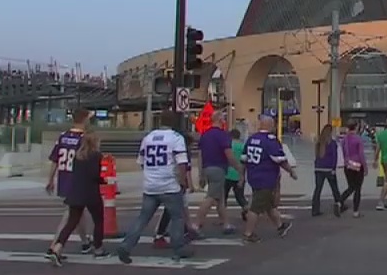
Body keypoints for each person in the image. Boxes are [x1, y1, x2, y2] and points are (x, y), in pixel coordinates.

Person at [117, 111, 194, 263]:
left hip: (150, 185)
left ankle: (126, 245)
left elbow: (141, 161)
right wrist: (182, 181)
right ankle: (178, 248)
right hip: (169, 185)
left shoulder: (148, 137)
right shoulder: (176, 138)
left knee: (143, 218)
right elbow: (182, 163)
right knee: (177, 217)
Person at [46, 133, 109, 265]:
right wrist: (103, 180)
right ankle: (98, 249)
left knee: (71, 222)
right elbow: (94, 175)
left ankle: (58, 248)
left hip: (75, 192)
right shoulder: (96, 156)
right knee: (98, 220)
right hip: (90, 193)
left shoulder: (77, 155)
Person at [242, 115, 298, 242]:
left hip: (253, 176)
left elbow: (243, 159)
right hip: (266, 178)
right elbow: (280, 160)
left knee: (268, 204)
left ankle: (280, 226)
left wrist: (242, 175)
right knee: (256, 207)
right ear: (270, 125)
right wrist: (291, 171)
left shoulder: (252, 139)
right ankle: (248, 233)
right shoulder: (270, 140)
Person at [46, 110, 93, 254]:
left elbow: (55, 160)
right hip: (77, 179)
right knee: (70, 214)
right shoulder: (84, 138)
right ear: (84, 119)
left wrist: (51, 179)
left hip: (64, 177)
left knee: (77, 212)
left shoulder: (63, 136)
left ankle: (85, 242)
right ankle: (55, 245)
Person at [193, 118, 244, 236]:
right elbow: (229, 155)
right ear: (221, 121)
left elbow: (200, 155)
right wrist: (238, 168)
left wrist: (201, 173)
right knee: (211, 197)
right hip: (218, 169)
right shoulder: (222, 135)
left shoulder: (205, 135)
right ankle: (196, 225)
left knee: (220, 198)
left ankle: (226, 224)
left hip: (207, 168)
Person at [311, 124, 343, 217]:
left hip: (318, 168)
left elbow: (316, 156)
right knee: (334, 188)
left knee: (318, 189)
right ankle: (339, 204)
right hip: (328, 168)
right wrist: (333, 169)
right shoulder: (332, 143)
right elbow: (334, 157)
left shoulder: (318, 142)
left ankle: (315, 210)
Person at [338, 121, 368, 216]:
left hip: (348, 165)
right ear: (356, 127)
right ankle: (355, 211)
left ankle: (340, 200)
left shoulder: (344, 139)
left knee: (351, 187)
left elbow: (343, 152)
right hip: (358, 165)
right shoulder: (358, 139)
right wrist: (365, 167)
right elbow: (361, 154)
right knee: (358, 188)